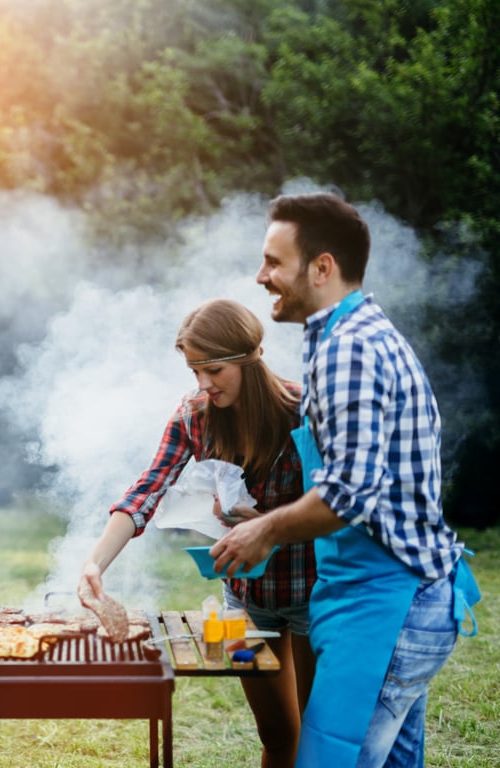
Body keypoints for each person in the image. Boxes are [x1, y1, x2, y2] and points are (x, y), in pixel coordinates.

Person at [212, 193, 477, 767]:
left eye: (273, 262)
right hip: (401, 599)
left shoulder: (349, 349)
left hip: (388, 607)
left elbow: (350, 494)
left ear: (322, 267)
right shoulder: (346, 336)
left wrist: (267, 532)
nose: (261, 277)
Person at [78, 298, 316, 768]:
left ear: (250, 358)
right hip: (245, 598)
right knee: (278, 733)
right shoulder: (194, 414)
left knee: (318, 736)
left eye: (214, 370)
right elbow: (147, 489)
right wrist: (94, 563)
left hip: (312, 590)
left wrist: (267, 526)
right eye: (194, 372)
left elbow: (333, 503)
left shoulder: (301, 410)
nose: (204, 384)